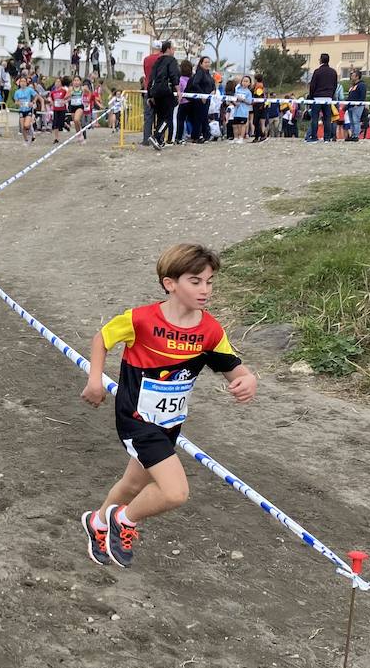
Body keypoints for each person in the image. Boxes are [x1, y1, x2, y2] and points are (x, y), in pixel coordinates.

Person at [77, 243, 257, 568]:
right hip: (136, 420)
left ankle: (99, 523)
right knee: (175, 492)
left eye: (210, 281)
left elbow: (234, 368)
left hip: (170, 422)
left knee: (134, 483)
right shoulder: (141, 320)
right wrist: (95, 380)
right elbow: (102, 338)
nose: (205, 290)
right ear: (170, 283)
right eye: (195, 281)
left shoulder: (210, 331)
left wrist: (247, 379)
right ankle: (124, 520)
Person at [306, 53, 338, 142]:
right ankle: (327, 137)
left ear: (321, 60)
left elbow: (312, 85)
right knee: (327, 119)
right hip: (328, 98)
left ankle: (314, 137)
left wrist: (311, 97)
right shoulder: (333, 72)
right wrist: (331, 95)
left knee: (315, 118)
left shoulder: (317, 71)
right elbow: (335, 85)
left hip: (317, 98)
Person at [13, 75, 38, 144]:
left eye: (24, 81)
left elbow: (36, 96)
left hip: (28, 110)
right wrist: (19, 103)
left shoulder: (29, 90)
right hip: (21, 110)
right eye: (21, 81)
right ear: (19, 83)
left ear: (26, 82)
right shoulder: (17, 92)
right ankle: (26, 140)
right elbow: (16, 101)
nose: (23, 83)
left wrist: (33, 102)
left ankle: (32, 134)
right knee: (22, 127)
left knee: (26, 125)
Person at [345, 70, 366, 143]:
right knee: (351, 121)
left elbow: (362, 96)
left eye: (353, 76)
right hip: (350, 106)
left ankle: (356, 135)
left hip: (357, 106)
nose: (351, 77)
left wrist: (358, 104)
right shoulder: (353, 86)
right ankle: (352, 135)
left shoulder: (361, 85)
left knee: (356, 121)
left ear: (357, 77)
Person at [231, 75, 252, 143]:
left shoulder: (248, 92)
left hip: (243, 112)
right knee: (235, 125)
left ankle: (241, 138)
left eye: (246, 81)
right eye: (243, 81)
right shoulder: (237, 90)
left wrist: (243, 100)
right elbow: (233, 98)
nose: (245, 83)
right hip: (236, 111)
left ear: (249, 83)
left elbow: (249, 102)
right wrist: (235, 102)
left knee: (242, 125)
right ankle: (235, 138)